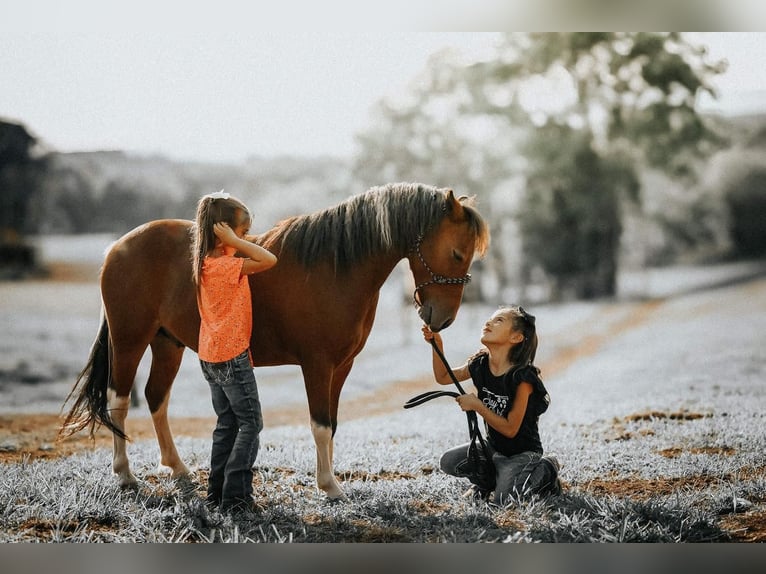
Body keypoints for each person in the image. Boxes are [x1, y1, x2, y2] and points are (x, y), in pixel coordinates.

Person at [192, 190, 278, 514]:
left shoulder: (202, 262)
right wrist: (235, 242)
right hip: (231, 355)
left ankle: (215, 494)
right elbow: (269, 259)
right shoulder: (226, 266)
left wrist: (234, 239)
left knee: (226, 424)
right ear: (221, 231)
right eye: (242, 233)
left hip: (209, 355)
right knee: (250, 424)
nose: (246, 238)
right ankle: (237, 497)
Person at [422, 305, 561, 505]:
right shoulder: (480, 364)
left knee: (505, 500)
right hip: (493, 450)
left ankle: (547, 469)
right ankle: (488, 481)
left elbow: (511, 429)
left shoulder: (522, 378)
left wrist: (478, 405)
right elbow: (444, 377)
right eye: (490, 318)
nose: (488, 322)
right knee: (449, 461)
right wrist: (437, 345)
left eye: (499, 320)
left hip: (521, 454)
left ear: (516, 338)